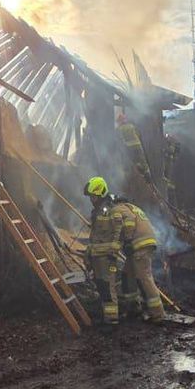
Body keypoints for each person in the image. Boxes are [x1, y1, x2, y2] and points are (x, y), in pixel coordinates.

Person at [114, 196, 166, 323]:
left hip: (139, 245)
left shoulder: (120, 208)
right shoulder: (133, 208)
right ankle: (134, 307)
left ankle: (158, 314)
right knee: (127, 275)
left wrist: (127, 240)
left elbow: (129, 221)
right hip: (143, 244)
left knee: (145, 278)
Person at [84, 176, 124, 328]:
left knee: (108, 287)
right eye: (90, 197)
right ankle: (106, 316)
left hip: (107, 258)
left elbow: (119, 232)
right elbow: (94, 237)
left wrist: (113, 252)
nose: (91, 199)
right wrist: (88, 254)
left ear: (100, 193)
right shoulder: (97, 212)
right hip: (97, 257)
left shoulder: (112, 209)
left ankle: (112, 320)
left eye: (93, 196)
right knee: (101, 286)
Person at [116, 108, 152, 183]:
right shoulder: (132, 126)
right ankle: (147, 174)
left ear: (119, 121)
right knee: (142, 160)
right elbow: (138, 134)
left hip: (129, 146)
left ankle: (132, 175)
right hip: (137, 144)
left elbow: (120, 139)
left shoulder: (119, 129)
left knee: (131, 162)